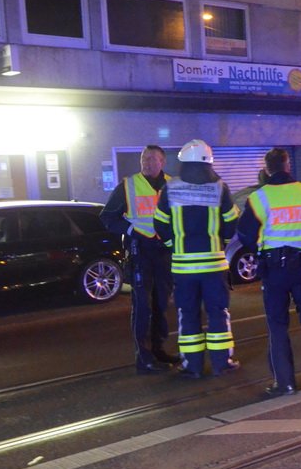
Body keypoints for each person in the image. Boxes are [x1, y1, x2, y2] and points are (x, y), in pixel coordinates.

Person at [235, 148, 301, 396]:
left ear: (267, 169)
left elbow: (245, 232)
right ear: (288, 165)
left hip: (274, 268)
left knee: (278, 324)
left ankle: (285, 383)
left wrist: (260, 244)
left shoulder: (260, 197)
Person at [153, 140, 240, 379]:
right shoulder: (219, 187)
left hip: (183, 266)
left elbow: (159, 223)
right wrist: (220, 241)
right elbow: (232, 223)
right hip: (213, 265)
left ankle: (192, 366)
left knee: (188, 313)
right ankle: (222, 363)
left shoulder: (170, 188)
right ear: (209, 162)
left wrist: (173, 246)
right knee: (218, 312)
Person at [100, 145, 174, 374]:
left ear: (162, 162)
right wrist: (131, 230)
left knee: (161, 303)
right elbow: (107, 217)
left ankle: (159, 350)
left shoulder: (173, 185)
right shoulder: (128, 185)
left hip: (164, 253)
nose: (146, 162)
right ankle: (144, 357)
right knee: (143, 306)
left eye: (152, 158)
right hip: (140, 251)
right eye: (144, 158)